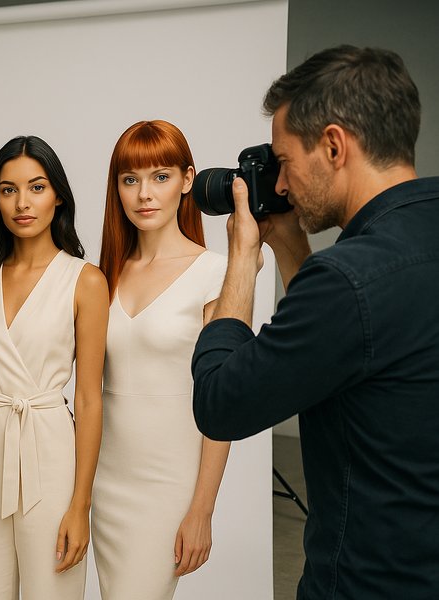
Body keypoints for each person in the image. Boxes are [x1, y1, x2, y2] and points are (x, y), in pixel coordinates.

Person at [192, 45, 439, 599]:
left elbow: (220, 402)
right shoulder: (366, 276)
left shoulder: (346, 278)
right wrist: (290, 249)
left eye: (283, 161)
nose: (279, 186)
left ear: (333, 145)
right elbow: (348, 348)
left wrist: (240, 261)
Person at [0, 135, 108, 599]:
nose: (22, 203)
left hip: (51, 457)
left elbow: (88, 398)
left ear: (58, 195)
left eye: (36, 187)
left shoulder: (84, 280)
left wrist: (81, 503)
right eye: (8, 189)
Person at [92, 120, 230, 599]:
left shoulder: (216, 274)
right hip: (99, 481)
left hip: (166, 486)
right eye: (130, 180)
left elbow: (223, 403)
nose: (144, 194)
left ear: (188, 180)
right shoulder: (104, 274)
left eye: (160, 176)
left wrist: (202, 509)